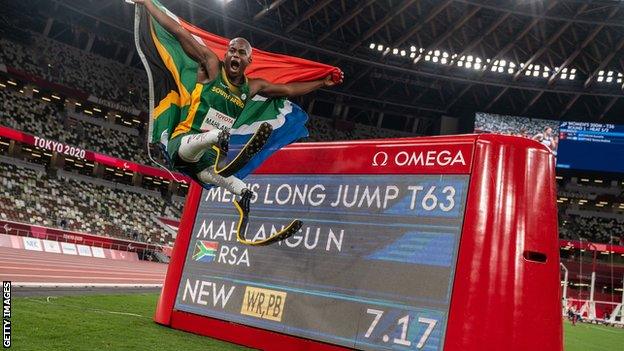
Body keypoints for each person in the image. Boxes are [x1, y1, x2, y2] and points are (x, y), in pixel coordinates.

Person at [135, 0, 343, 242]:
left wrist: (321, 82)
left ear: (249, 60)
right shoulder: (212, 66)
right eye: (231, 50)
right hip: (183, 145)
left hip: (207, 165)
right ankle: (220, 141)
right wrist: (148, 3)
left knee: (242, 189)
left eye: (240, 52)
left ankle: (245, 227)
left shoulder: (252, 87)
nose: (234, 54)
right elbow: (180, 32)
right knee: (215, 138)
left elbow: (288, 90)